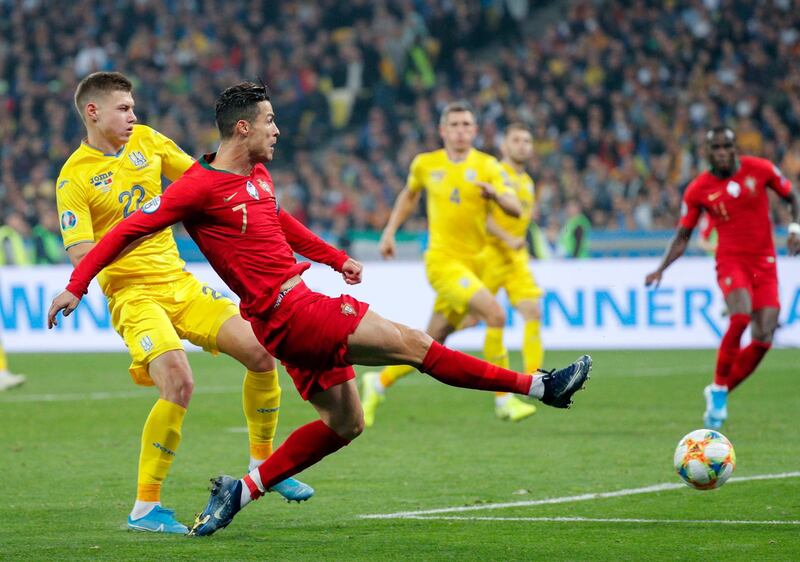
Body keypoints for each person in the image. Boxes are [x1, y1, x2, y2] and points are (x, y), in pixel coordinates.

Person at [47, 81, 592, 537]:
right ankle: (540, 387)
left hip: (294, 312)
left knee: (347, 423)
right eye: (269, 121)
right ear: (244, 128)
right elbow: (131, 229)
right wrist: (77, 283)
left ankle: (241, 491)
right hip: (290, 312)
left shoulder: (256, 176)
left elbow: (281, 224)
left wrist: (334, 259)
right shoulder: (199, 189)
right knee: (417, 346)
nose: (277, 130)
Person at [55, 72, 312, 534]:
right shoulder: (73, 178)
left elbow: (203, 179)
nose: (134, 116)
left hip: (180, 283)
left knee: (260, 352)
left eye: (133, 107)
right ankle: (144, 508)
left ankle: (263, 463)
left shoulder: (150, 143)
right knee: (178, 379)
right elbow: (80, 252)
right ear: (93, 112)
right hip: (133, 294)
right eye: (124, 108)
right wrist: (104, 260)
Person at [362, 102, 534, 427]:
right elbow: (409, 196)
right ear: (443, 130)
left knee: (429, 344)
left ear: (475, 130)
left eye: (466, 125)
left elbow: (515, 207)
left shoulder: (488, 166)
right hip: (442, 262)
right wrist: (389, 232)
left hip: (475, 265)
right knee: (495, 314)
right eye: (454, 125)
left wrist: (495, 196)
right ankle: (504, 400)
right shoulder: (426, 164)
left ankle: (377, 383)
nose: (460, 130)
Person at [645, 126, 799, 429]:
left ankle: (722, 389)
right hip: (731, 261)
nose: (722, 152)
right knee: (740, 317)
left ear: (735, 148)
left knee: (764, 336)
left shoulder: (761, 169)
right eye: (715, 147)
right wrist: (661, 268)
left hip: (765, 262)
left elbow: (793, 196)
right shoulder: (698, 189)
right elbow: (683, 236)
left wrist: (795, 229)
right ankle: (718, 389)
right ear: (707, 153)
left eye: (727, 146)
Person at [480, 124, 545, 411]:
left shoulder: (528, 181)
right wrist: (507, 237)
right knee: (459, 324)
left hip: (516, 258)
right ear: (504, 145)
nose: (523, 146)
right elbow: (480, 217)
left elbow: (523, 220)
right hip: (490, 254)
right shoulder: (495, 174)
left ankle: (536, 381)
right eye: (516, 140)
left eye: (527, 141)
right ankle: (383, 380)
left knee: (532, 311)